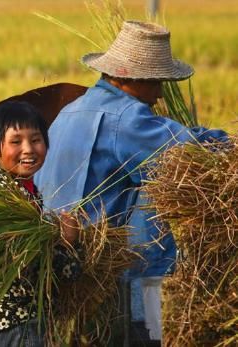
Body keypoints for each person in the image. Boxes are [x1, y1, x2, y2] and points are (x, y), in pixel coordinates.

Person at [35, 21, 227, 345]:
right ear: (131, 78)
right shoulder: (127, 118)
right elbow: (188, 155)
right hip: (104, 282)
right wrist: (227, 143)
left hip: (58, 271)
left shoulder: (70, 110)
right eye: (156, 82)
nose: (160, 93)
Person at [0, 101, 81, 347]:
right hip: (17, 327)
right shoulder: (11, 203)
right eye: (16, 142)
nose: (28, 149)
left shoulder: (26, 193)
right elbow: (40, 270)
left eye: (36, 140)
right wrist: (68, 244)